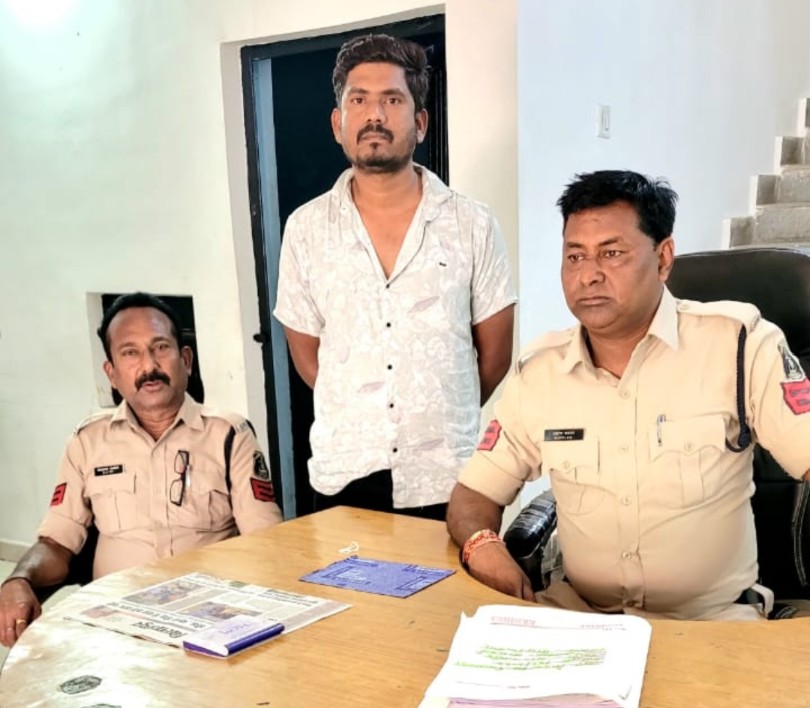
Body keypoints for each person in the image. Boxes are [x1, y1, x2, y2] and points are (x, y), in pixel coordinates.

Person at [447, 170, 810, 621]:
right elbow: (473, 494)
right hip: (582, 620)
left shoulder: (738, 344)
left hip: (712, 625)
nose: (589, 275)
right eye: (574, 256)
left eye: (612, 253)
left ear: (663, 259)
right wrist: (482, 546)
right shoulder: (540, 371)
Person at [274, 34, 516, 520]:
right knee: (347, 575)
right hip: (346, 470)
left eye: (392, 100)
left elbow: (493, 356)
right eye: (358, 100)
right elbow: (308, 355)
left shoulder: (471, 224)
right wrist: (361, 404)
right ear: (338, 123)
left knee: (454, 575)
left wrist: (436, 408)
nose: (374, 115)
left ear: (420, 122)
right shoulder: (306, 229)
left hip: (447, 474)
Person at [0, 293, 282, 647]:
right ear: (112, 374)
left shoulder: (228, 434)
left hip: (210, 623)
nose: (148, 366)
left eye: (160, 347)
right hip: (116, 628)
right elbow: (57, 541)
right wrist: (19, 579)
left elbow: (266, 542)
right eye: (130, 353)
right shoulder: (88, 441)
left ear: (186, 360)